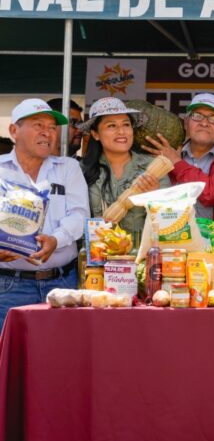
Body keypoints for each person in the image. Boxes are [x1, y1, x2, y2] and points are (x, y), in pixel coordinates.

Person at [0, 99, 89, 325]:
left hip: (62, 284)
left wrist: (55, 240)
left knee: (59, 355)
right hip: (8, 286)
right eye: (38, 125)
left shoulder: (68, 167)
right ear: (14, 131)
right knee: (7, 356)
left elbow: (80, 215)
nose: (47, 133)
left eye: (51, 127)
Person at [79, 97, 170, 235]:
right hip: (97, 253)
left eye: (126, 124)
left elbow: (169, 220)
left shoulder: (154, 167)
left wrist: (155, 198)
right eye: (111, 126)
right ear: (95, 134)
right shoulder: (81, 170)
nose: (121, 132)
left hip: (141, 254)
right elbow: (74, 219)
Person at [143, 93, 214, 221]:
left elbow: (211, 194)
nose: (204, 123)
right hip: (170, 236)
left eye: (213, 118)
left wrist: (177, 163)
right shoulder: (165, 153)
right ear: (186, 123)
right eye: (197, 116)